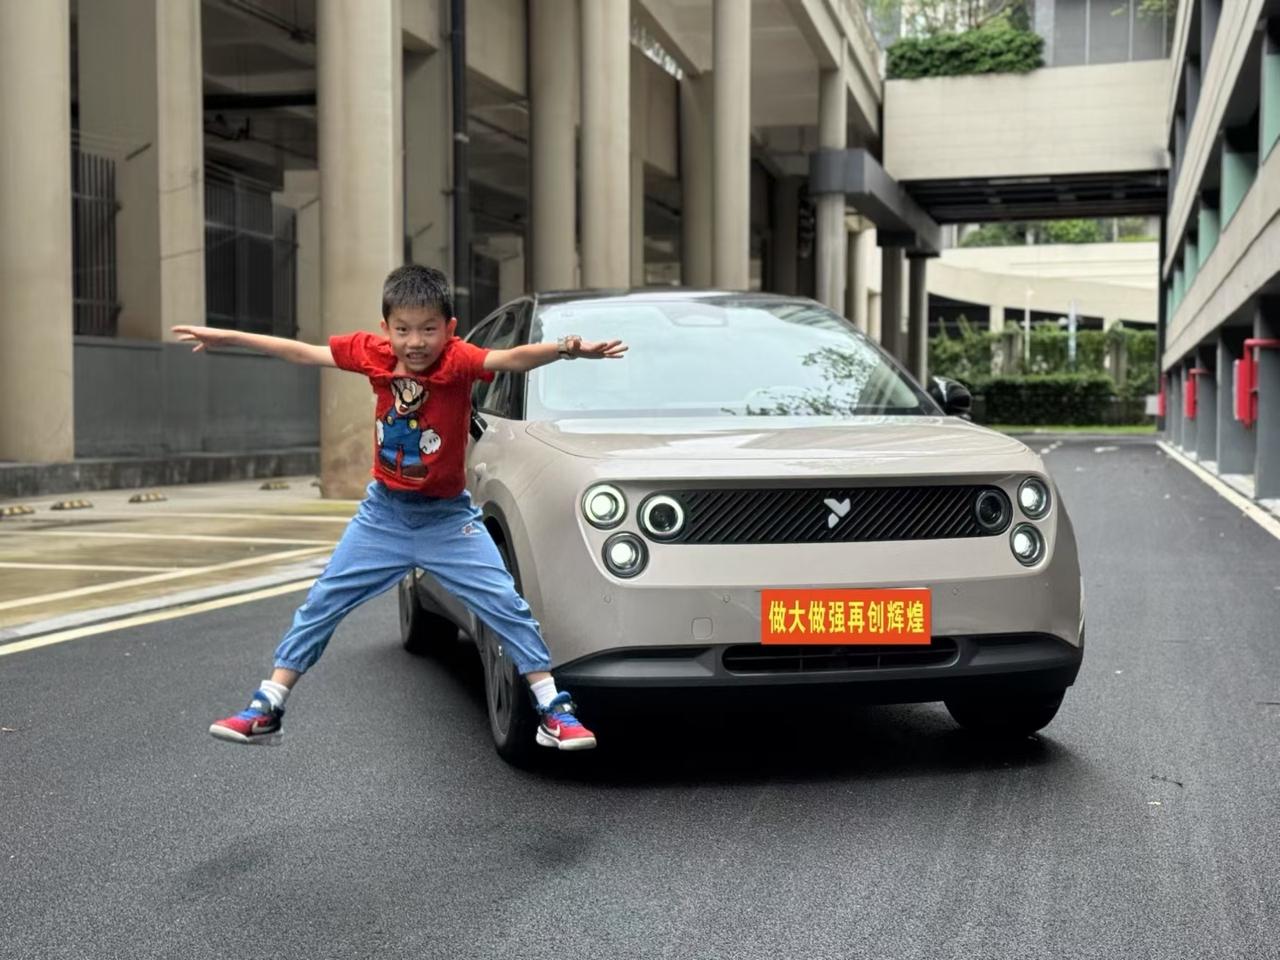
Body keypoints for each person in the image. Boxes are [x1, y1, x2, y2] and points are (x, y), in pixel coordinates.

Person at [172, 264, 626, 751]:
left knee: (505, 604)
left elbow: (512, 358)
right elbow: (303, 352)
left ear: (449, 329)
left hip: (447, 520)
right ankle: (268, 706)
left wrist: (567, 349)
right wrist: (229, 337)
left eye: (428, 329)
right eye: (404, 329)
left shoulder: (458, 360)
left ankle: (552, 709)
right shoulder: (373, 354)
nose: (415, 342)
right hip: (383, 516)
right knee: (322, 603)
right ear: (385, 328)